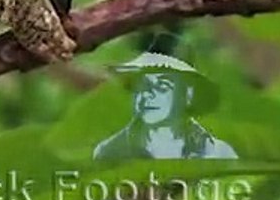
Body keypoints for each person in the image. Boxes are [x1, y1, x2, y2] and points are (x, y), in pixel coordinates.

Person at [92, 52, 237, 160]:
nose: (147, 94)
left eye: (162, 86)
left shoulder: (217, 153)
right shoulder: (109, 154)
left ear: (188, 94)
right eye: (142, 86)